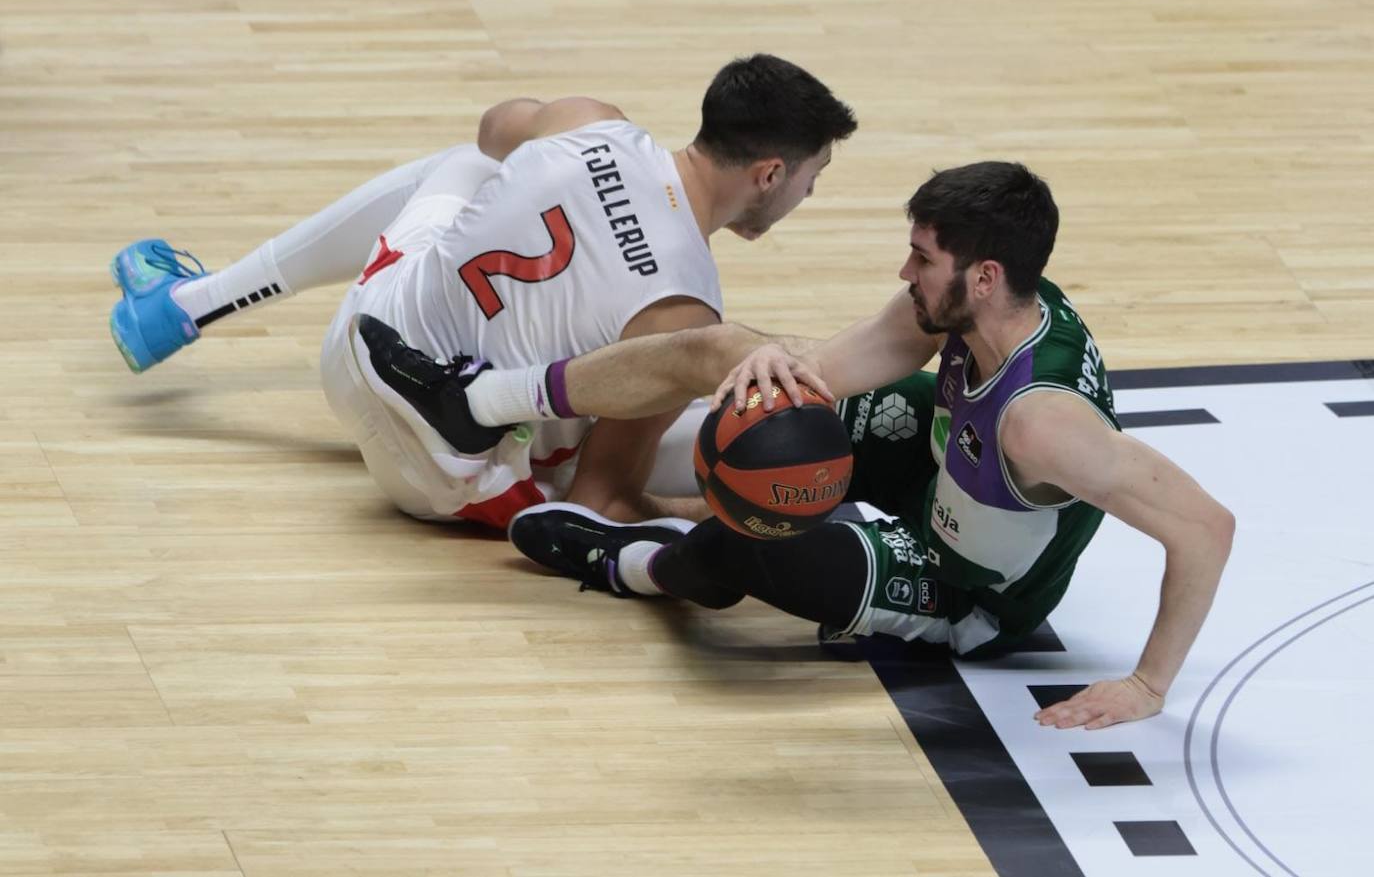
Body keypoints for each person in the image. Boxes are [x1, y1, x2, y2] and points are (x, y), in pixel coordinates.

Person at [362, 161, 1234, 729]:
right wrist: (773, 363)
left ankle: (627, 559)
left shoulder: (1043, 424)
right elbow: (838, 365)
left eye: (920, 258)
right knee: (763, 410)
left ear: (984, 275)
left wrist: (1147, 686)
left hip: (970, 583)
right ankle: (484, 402)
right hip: (946, 463)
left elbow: (1206, 526)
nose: (905, 272)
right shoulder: (982, 307)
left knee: (755, 540)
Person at [107, 54, 857, 528]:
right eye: (809, 180)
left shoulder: (593, 124)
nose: (806, 197)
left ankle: (187, 305)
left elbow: (493, 125)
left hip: (362, 347)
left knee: (473, 163)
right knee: (690, 412)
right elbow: (603, 499)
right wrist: (715, 513)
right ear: (767, 174)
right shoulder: (685, 309)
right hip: (432, 478)